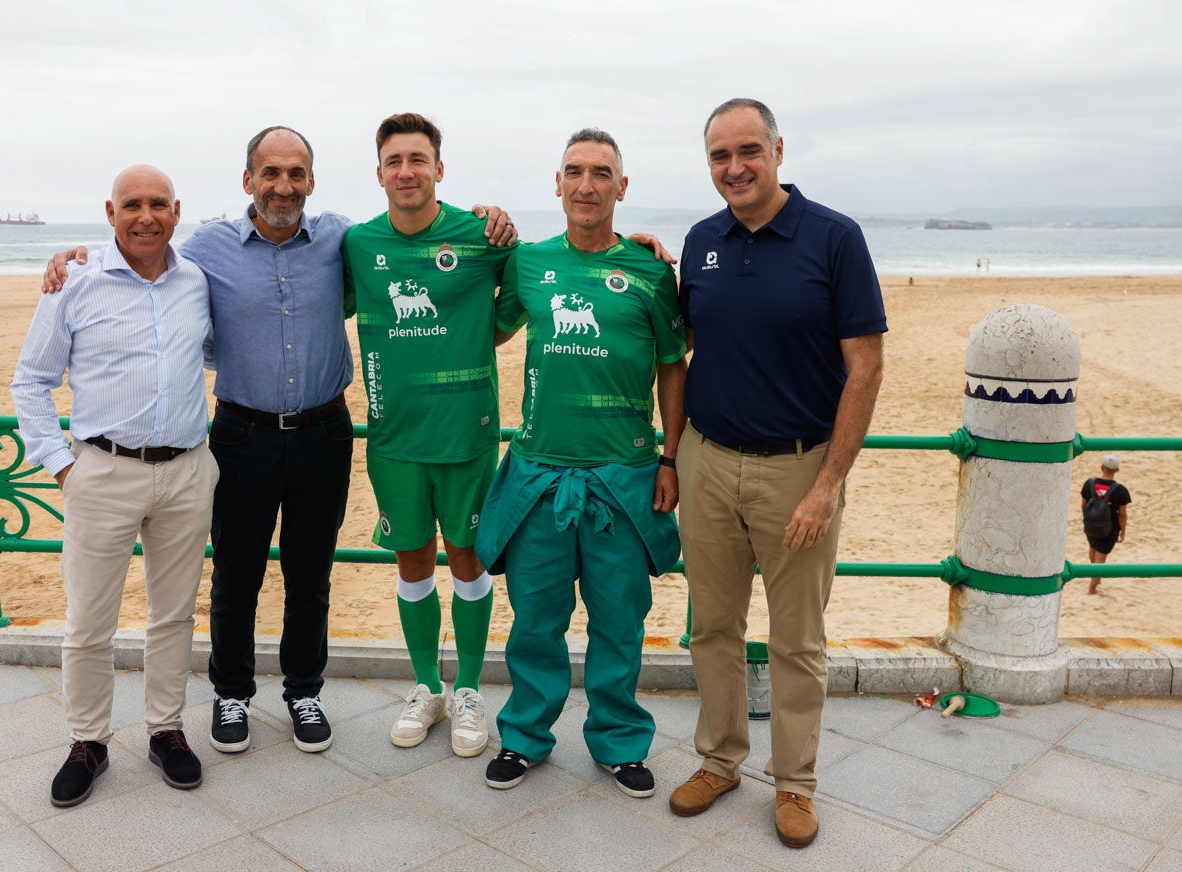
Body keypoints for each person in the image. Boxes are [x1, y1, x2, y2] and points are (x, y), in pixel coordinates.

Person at [41, 126, 515, 757]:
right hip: (241, 433)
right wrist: (72, 258)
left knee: (310, 574)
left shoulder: (342, 240)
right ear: (248, 181)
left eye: (296, 174)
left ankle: (304, 692)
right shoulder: (206, 245)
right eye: (270, 173)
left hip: (324, 431)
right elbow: (143, 248)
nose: (283, 186)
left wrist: (491, 216)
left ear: (311, 183)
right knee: (236, 574)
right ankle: (232, 694)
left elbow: (423, 242)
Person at [670, 99, 886, 849]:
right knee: (713, 628)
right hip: (704, 460)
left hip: (798, 468)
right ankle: (719, 760)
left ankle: (793, 783)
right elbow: (688, 340)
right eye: (719, 156)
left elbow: (865, 368)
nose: (734, 168)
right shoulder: (700, 241)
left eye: (748, 151)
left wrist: (826, 485)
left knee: (797, 640)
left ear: (777, 151)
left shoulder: (833, 238)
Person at [476, 129, 686, 799]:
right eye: (574, 172)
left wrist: (670, 458)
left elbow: (671, 368)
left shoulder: (652, 272)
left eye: (601, 173)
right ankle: (524, 739)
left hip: (622, 480)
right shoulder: (529, 265)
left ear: (620, 187)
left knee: (618, 623)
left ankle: (619, 743)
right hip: (538, 476)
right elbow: (484, 327)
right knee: (534, 623)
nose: (587, 184)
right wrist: (473, 241)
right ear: (557, 184)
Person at [10, 165, 217, 808]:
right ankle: (88, 742)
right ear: (110, 212)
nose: (146, 216)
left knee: (174, 614)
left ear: (177, 211)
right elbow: (30, 381)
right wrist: (61, 465)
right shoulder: (73, 280)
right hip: (100, 471)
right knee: (89, 622)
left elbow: (213, 352)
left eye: (159, 204)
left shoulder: (197, 281)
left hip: (186, 470)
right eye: (133, 205)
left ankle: (165, 730)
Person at [342, 113, 514, 756]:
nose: (406, 171)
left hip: (468, 436)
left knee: (467, 560)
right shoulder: (357, 244)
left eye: (418, 159)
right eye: (394, 161)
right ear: (379, 171)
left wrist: (643, 246)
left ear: (439, 168)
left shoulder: (484, 235)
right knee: (413, 560)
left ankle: (468, 690)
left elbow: (521, 300)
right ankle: (426, 687)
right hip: (394, 440)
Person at [1081, 454, 1131, 594]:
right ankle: (1092, 589)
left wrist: (1088, 520)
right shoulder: (1120, 490)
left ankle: (1095, 577)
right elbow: (1122, 514)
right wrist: (1123, 531)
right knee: (1101, 559)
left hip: (1091, 525)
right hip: (1109, 529)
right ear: (1117, 470)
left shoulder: (1089, 484)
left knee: (1092, 549)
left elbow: (1083, 505)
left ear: (1101, 467)